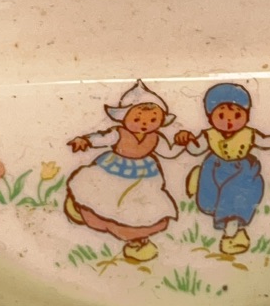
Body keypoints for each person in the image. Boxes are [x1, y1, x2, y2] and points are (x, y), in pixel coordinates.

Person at [64, 80, 185, 266]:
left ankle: (136, 239)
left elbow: (169, 152)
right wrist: (85, 140)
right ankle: (80, 208)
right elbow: (103, 138)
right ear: (124, 117)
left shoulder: (156, 138)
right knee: (104, 195)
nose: (144, 124)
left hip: (144, 175)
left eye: (152, 120)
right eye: (137, 119)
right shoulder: (119, 133)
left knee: (140, 205)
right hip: (114, 168)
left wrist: (182, 142)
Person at [182, 82, 270, 260]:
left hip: (242, 171)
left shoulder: (249, 134)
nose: (229, 121)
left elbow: (265, 141)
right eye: (221, 115)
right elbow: (195, 149)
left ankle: (233, 230)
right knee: (212, 200)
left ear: (247, 115)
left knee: (237, 195)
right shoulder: (209, 135)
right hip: (214, 169)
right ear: (210, 116)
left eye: (237, 115)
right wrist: (187, 140)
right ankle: (229, 225)